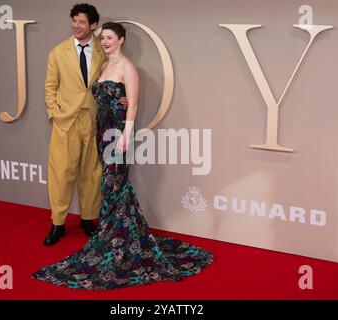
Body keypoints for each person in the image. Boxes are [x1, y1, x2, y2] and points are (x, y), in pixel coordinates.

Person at [32, 22, 214, 290]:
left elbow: (134, 103)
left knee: (114, 183)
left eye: (109, 38)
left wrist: (127, 135)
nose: (104, 41)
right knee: (112, 186)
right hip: (102, 131)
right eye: (102, 37)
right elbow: (102, 97)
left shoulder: (128, 67)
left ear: (121, 39)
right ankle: (115, 233)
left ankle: (116, 237)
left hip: (117, 134)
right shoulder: (103, 66)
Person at [43, 3, 126, 246]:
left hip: (94, 120)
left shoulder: (104, 49)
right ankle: (57, 224)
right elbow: (50, 87)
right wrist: (54, 113)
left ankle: (88, 220)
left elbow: (117, 72)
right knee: (61, 174)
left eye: (81, 22)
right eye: (74, 21)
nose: (76, 26)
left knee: (92, 173)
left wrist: (124, 95)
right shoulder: (58, 52)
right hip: (66, 122)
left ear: (93, 26)